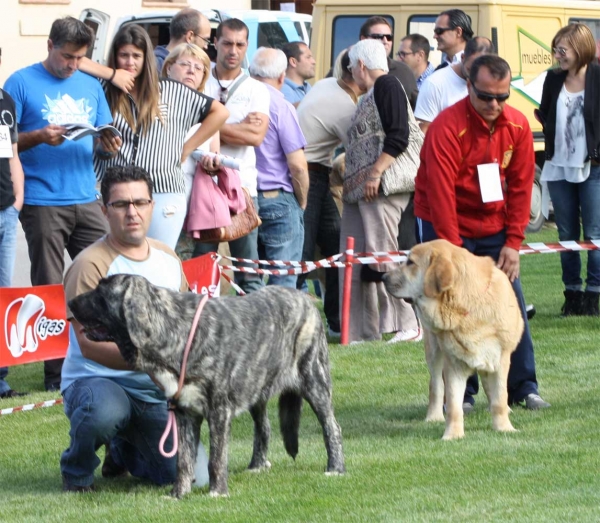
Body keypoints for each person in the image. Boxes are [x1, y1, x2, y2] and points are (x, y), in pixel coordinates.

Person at [414, 54, 551, 411]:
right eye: (486, 96)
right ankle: (465, 393)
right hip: (447, 225)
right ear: (469, 87)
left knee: (510, 305)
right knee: (455, 307)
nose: (494, 104)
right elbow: (441, 194)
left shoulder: (518, 126)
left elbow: (522, 187)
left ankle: (524, 387)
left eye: (502, 97)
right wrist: (456, 258)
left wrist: (514, 243)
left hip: (494, 224)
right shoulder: (447, 127)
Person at [4, 17, 117, 392]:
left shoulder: (89, 85)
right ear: (49, 45)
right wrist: (38, 135)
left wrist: (107, 141)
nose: (72, 65)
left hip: (87, 196)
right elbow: (5, 142)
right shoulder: (20, 82)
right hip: (42, 200)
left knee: (105, 280)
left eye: (79, 58)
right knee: (50, 288)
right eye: (67, 56)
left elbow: (103, 132)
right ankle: (55, 374)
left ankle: (107, 358)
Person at [60, 165, 185, 492]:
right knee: (103, 412)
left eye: (140, 202)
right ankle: (77, 471)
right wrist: (155, 363)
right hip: (97, 380)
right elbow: (88, 345)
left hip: (153, 391)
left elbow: (184, 329)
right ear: (104, 210)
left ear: (152, 206)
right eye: (121, 204)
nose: (133, 212)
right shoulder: (90, 265)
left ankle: (123, 451)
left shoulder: (169, 258)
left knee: (177, 472)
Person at [93, 24, 229, 251]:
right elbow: (77, 64)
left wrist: (186, 148)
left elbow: (221, 113)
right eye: (123, 55)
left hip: (164, 189)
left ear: (146, 58)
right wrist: (112, 75)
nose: (129, 62)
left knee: (158, 261)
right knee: (117, 263)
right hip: (114, 190)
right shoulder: (103, 89)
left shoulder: (171, 90)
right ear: (114, 57)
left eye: (136, 56)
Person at [341, 39, 421, 344]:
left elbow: (398, 135)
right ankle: (365, 329)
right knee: (362, 256)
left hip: (382, 186)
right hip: (362, 191)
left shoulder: (388, 85)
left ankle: (407, 322)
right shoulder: (370, 95)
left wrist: (375, 172)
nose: (351, 75)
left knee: (382, 254)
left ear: (361, 65)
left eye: (352, 68)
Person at [192, 18, 270, 294]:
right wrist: (237, 127)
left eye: (239, 44)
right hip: (201, 187)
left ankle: (256, 332)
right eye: (227, 43)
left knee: (248, 271)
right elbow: (183, 128)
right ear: (216, 43)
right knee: (202, 268)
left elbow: (255, 137)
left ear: (247, 46)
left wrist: (207, 126)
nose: (233, 50)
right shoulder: (199, 82)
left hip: (243, 187)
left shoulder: (256, 89)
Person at [296, 49, 362, 337]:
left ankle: (336, 322)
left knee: (332, 246)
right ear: (360, 69)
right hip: (308, 173)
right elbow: (361, 149)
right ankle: (298, 323)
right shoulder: (345, 107)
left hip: (316, 171)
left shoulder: (326, 84)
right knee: (304, 250)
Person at [538, 23, 600, 316]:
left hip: (593, 167)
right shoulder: (552, 79)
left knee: (595, 234)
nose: (557, 55)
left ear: (580, 49)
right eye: (555, 49)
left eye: (562, 49)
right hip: (558, 165)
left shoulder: (598, 76)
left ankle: (594, 295)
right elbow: (545, 112)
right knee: (566, 234)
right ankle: (572, 293)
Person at [249, 47, 309, 288]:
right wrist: (301, 201)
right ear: (282, 77)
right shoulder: (281, 106)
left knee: (248, 279)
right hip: (278, 199)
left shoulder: (235, 101)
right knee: (283, 283)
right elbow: (298, 166)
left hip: (243, 199)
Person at [0, 58, 27, 399]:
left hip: (6, 210)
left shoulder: (5, 101)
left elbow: (12, 154)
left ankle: (1, 378)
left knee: (3, 296)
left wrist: (18, 198)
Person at [415, 37, 495, 133]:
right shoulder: (434, 83)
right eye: (471, 69)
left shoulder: (491, 84)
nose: (475, 75)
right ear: (462, 57)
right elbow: (423, 131)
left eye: (482, 70)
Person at [358, 16, 418, 110]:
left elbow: (415, 107)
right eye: (378, 37)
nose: (385, 41)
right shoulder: (347, 69)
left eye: (389, 37)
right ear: (363, 39)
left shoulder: (403, 71)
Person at [280, 41, 315, 107]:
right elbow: (286, 114)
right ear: (293, 62)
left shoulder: (307, 87)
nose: (313, 62)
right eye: (308, 57)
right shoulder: (284, 90)